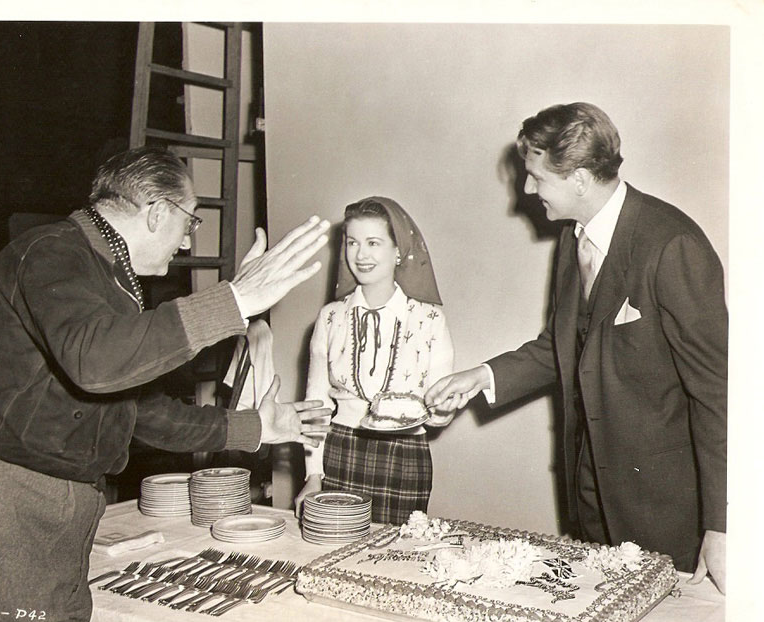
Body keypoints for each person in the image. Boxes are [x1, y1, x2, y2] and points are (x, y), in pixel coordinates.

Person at [0, 146, 332, 622]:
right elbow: (96, 362)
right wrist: (232, 300)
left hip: (42, 503)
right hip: (2, 502)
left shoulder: (102, 274)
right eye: (190, 221)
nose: (187, 241)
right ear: (158, 211)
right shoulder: (52, 251)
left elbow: (138, 409)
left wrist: (256, 427)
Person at [426, 103, 727, 593]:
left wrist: (722, 524)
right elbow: (562, 346)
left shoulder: (672, 244)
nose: (528, 190)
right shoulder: (573, 239)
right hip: (591, 496)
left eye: (538, 178)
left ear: (581, 179)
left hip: (668, 511)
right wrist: (481, 376)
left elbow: (720, 394)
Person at [294, 197, 455, 524]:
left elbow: (438, 412)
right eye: (352, 243)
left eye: (373, 243)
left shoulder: (429, 319)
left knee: (395, 551)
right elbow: (315, 404)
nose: (361, 255)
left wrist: (444, 411)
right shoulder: (330, 317)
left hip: (405, 456)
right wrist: (313, 474)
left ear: (398, 251)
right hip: (340, 452)